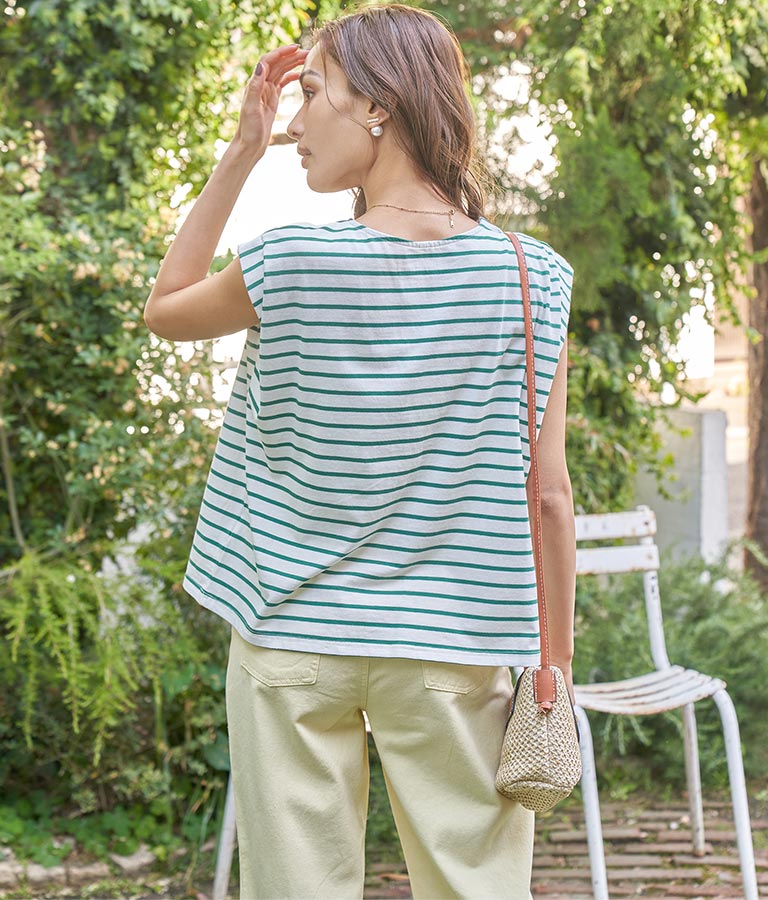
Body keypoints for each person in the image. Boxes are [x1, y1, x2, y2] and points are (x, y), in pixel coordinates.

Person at [144, 4, 576, 898]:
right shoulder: (531, 277)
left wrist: (238, 153)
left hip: (290, 640)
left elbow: (166, 307)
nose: (293, 124)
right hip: (453, 646)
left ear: (378, 105)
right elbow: (548, 497)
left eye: (311, 94)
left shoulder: (287, 262)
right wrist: (553, 673)